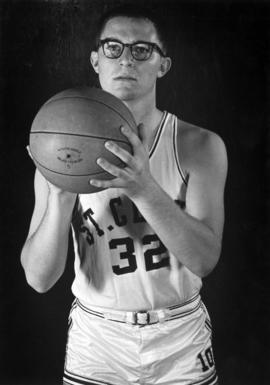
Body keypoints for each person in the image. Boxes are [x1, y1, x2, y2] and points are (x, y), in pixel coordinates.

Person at [21, 4, 227, 385]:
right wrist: (60, 199)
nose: (126, 60)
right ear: (96, 60)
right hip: (98, 336)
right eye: (113, 48)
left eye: (141, 50)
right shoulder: (60, 151)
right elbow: (38, 277)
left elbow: (204, 260)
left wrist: (144, 188)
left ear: (162, 64)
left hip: (178, 335)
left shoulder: (199, 146)